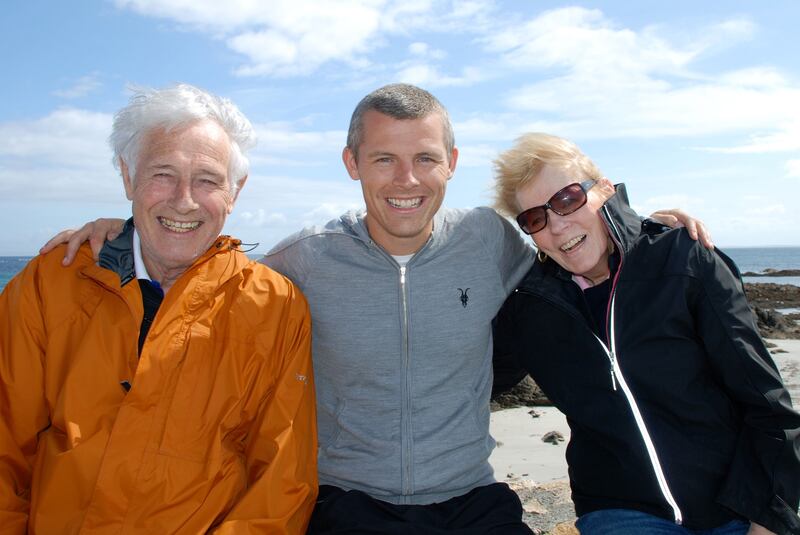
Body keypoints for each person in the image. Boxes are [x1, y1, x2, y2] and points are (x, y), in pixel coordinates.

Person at [40, 84, 710, 534]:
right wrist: (124, 232)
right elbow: (199, 279)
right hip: (344, 502)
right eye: (383, 158)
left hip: (470, 499)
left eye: (425, 158)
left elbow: (572, 249)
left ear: (451, 162)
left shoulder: (491, 240)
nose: (406, 179)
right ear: (351, 163)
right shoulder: (304, 258)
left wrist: (638, 226)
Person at [0, 84, 318, 534]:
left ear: (235, 191)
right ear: (128, 176)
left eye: (207, 180)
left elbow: (280, 486)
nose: (183, 200)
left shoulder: (276, 307)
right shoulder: (51, 282)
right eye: (163, 174)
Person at [491, 132, 800, 535]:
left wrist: (767, 517)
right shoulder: (532, 308)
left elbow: (766, 403)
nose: (558, 224)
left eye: (567, 199)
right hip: (619, 509)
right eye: (535, 218)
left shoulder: (683, 260)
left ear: (604, 191)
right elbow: (468, 380)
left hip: (735, 503)